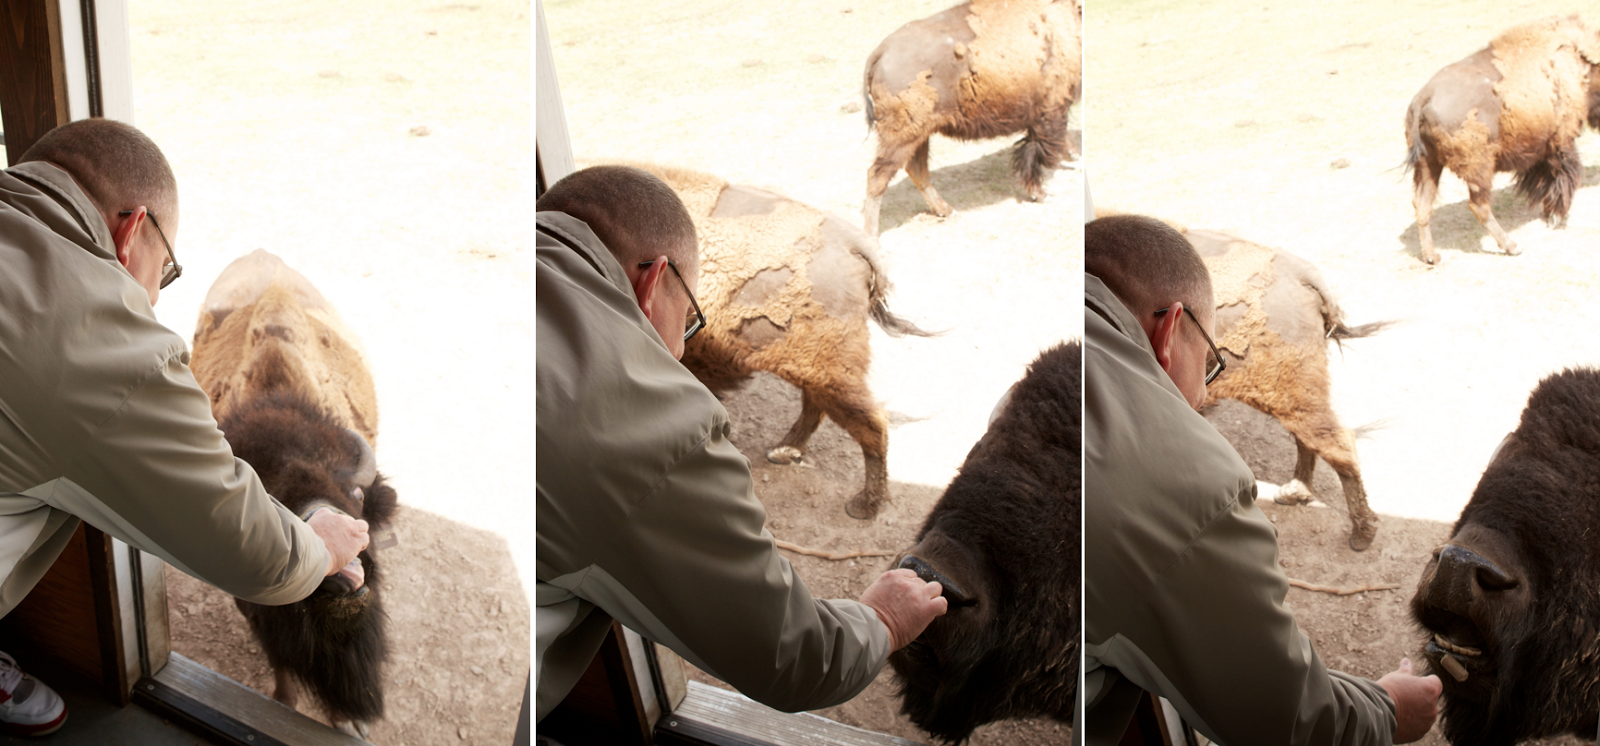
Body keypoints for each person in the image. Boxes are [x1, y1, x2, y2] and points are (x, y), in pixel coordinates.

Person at [536, 165, 947, 721]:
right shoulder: (648, 422)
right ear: (652, 282)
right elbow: (795, 657)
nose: (679, 353)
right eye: (688, 319)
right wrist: (886, 620)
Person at [0, 119, 371, 736]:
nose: (155, 298)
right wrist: (321, 545)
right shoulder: (103, 342)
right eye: (165, 270)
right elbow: (240, 539)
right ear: (132, 230)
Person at [1081, 214, 1441, 745]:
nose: (1203, 396)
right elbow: (1281, 714)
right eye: (1207, 365)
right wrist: (1385, 710)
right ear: (1168, 331)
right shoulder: (1184, 483)